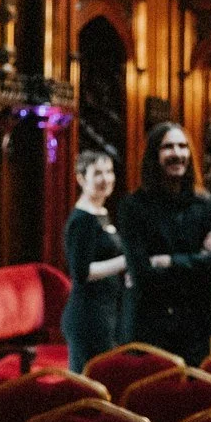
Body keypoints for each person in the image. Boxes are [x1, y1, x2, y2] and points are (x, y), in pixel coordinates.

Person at [117, 121, 211, 364]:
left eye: (182, 146)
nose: (177, 154)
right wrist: (200, 259)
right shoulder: (133, 207)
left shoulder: (205, 204)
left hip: (196, 326)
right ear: (154, 155)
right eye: (168, 147)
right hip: (151, 328)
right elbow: (142, 274)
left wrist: (169, 261)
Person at [61, 150, 128, 371]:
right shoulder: (82, 220)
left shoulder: (100, 213)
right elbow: (81, 272)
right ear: (81, 178)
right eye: (97, 173)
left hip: (105, 311)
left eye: (109, 171)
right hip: (88, 316)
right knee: (90, 385)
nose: (106, 178)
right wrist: (127, 261)